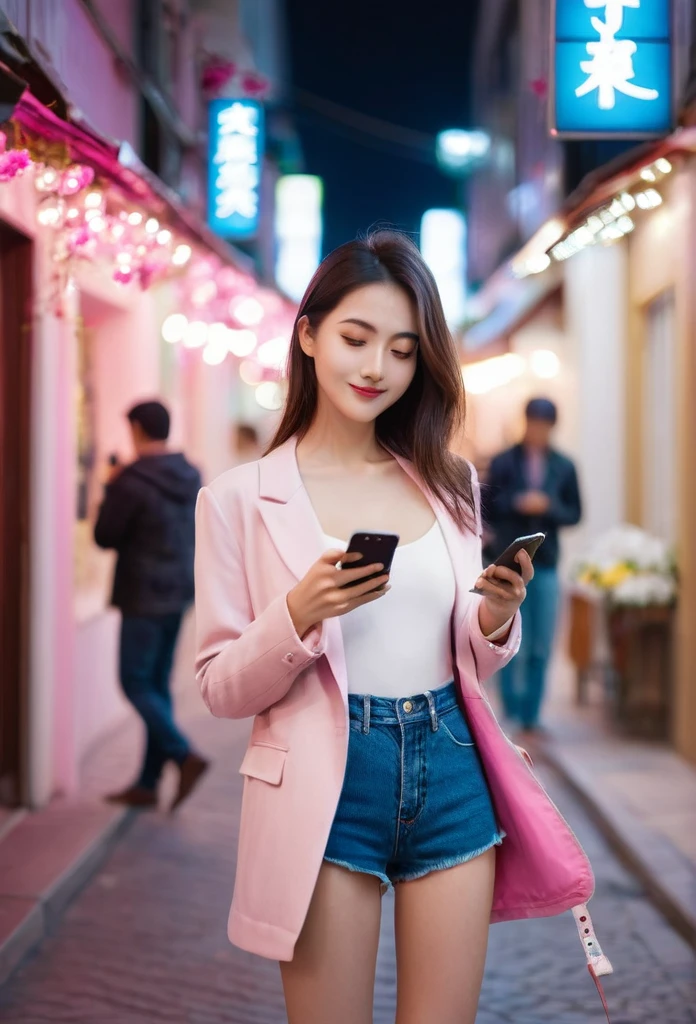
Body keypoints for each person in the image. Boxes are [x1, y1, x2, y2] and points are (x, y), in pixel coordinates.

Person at [194, 233, 605, 1024]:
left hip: (452, 768)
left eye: (403, 349)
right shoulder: (238, 499)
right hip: (325, 784)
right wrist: (298, 614)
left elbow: (469, 654)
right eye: (355, 338)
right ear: (309, 334)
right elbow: (218, 687)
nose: (376, 366)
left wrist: (494, 615)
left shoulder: (450, 484)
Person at [95, 400, 209, 811]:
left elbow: (105, 535)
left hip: (142, 593)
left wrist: (110, 486)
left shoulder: (130, 478)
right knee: (156, 685)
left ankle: (183, 754)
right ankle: (147, 784)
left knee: (135, 682)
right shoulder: (190, 473)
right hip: (178, 591)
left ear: (138, 429)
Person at [484, 397, 582, 733]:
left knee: (541, 642)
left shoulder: (564, 466)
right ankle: (511, 708)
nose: (538, 432)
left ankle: (532, 713)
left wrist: (548, 505)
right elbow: (487, 506)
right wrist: (517, 502)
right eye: (534, 425)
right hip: (510, 563)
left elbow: (575, 513)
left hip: (548, 563)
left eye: (544, 426)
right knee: (512, 638)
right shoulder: (503, 462)